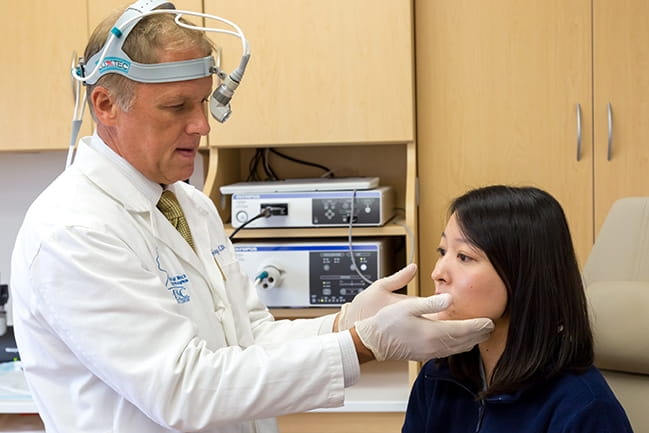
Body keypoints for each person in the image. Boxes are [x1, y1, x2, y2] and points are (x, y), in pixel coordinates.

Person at [9, 3, 494, 433]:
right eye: (177, 106)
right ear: (106, 104)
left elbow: (250, 338)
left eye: (204, 101)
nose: (201, 124)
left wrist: (341, 322)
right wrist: (363, 344)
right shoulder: (73, 229)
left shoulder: (189, 204)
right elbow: (185, 391)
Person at [402, 185, 634, 433]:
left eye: (464, 257)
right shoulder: (437, 378)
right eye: (442, 251)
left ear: (523, 275)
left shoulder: (585, 409)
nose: (437, 273)